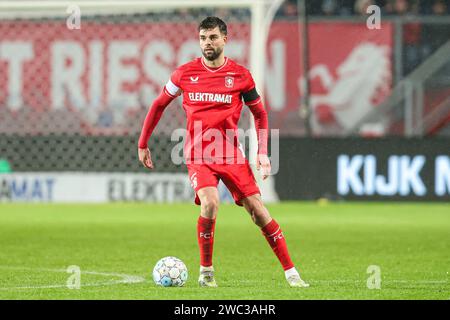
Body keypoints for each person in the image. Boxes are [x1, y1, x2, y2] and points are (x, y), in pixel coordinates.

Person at [138, 16, 309, 288]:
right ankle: (206, 272)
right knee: (210, 203)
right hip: (198, 155)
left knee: (258, 211)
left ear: (225, 39)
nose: (208, 43)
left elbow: (260, 114)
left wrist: (262, 152)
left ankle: (292, 273)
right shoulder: (184, 74)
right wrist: (143, 142)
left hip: (230, 154)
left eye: (213, 37)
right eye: (204, 38)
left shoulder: (241, 76)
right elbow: (159, 105)